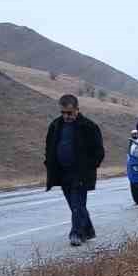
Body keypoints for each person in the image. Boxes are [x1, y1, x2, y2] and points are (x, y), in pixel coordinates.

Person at [45, 94, 105, 245]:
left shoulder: (88, 126)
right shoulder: (55, 125)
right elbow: (49, 147)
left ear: (77, 110)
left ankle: (76, 233)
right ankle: (89, 230)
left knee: (78, 203)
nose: (66, 116)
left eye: (69, 113)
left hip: (81, 174)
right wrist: (49, 163)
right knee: (74, 204)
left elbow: (99, 151)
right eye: (63, 112)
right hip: (62, 173)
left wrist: (89, 167)